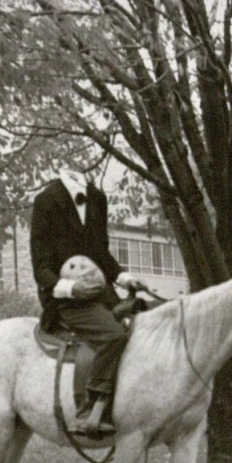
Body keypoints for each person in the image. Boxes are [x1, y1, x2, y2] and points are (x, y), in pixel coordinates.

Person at [30, 170, 148, 435]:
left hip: (101, 291)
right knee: (113, 335)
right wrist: (73, 287)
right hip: (64, 298)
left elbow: (101, 253)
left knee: (143, 323)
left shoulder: (97, 198)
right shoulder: (46, 201)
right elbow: (41, 266)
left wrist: (124, 277)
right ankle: (88, 409)